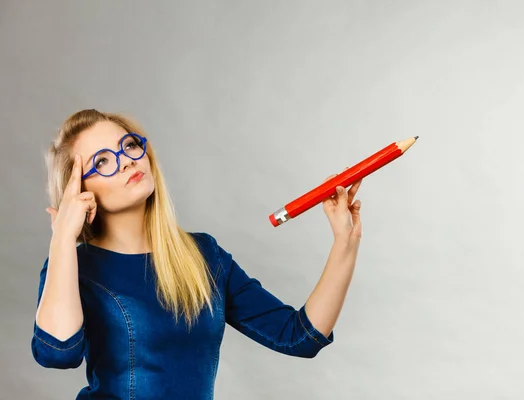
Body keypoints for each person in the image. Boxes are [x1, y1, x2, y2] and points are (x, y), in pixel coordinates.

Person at [31, 109, 363, 399]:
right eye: (101, 161)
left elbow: (300, 337)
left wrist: (344, 241)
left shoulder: (204, 256)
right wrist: (62, 238)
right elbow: (57, 352)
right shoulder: (75, 267)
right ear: (80, 191)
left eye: (129, 145)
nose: (127, 159)